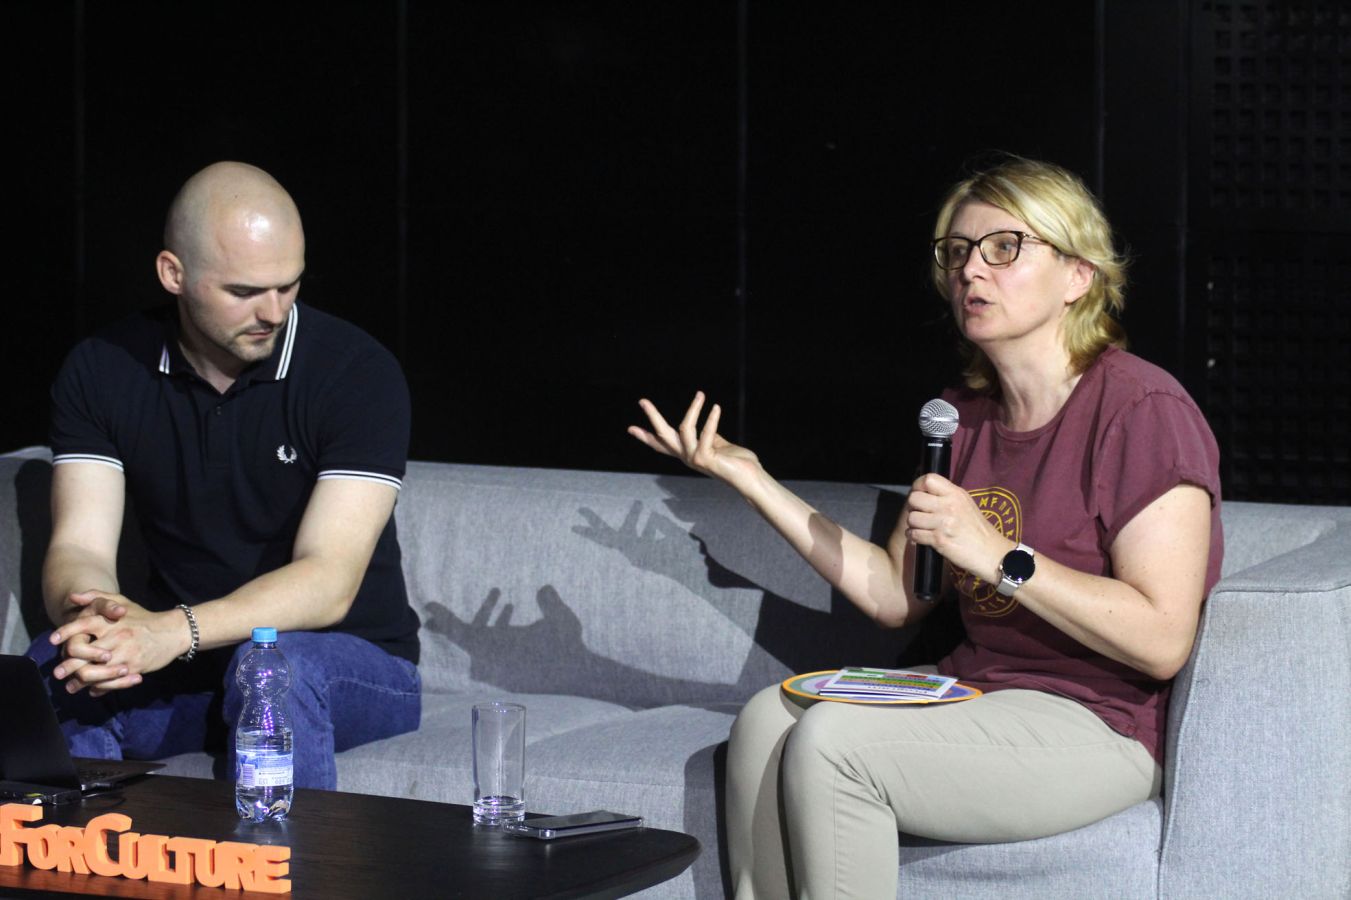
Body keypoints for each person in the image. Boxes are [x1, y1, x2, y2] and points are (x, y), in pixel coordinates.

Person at [629, 156, 1222, 898]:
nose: (971, 270)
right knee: (765, 719)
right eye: (957, 251)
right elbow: (893, 595)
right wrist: (749, 478)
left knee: (834, 742)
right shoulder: (961, 417)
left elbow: (1162, 639)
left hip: (1098, 722)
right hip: (974, 690)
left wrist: (999, 555)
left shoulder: (1140, 411)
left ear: (1078, 274)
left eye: (1004, 247)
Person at [29, 161, 421, 790]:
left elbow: (329, 581)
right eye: (243, 292)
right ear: (173, 274)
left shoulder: (356, 373)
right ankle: (88, 847)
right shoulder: (102, 369)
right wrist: (97, 617)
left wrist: (171, 631)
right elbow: (79, 546)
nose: (273, 311)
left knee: (271, 669)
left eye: (288, 286)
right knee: (55, 668)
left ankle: (285, 855)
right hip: (186, 666)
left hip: (348, 661)